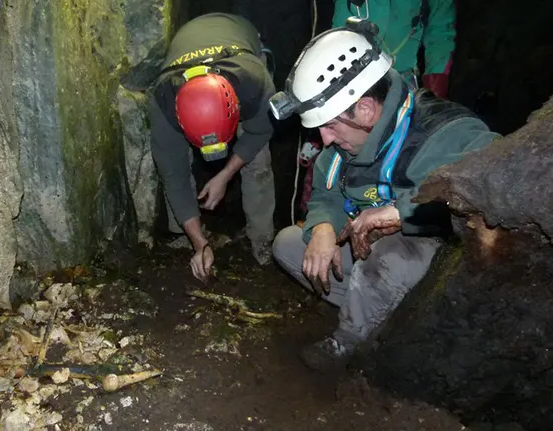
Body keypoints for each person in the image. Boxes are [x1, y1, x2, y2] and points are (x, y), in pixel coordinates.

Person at [268, 18, 499, 370]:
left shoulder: (442, 131)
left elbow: (499, 177)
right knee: (288, 244)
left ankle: (350, 341)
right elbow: (325, 197)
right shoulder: (347, 141)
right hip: (373, 253)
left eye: (329, 125)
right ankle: (378, 313)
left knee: (389, 256)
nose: (325, 140)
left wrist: (399, 212)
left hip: (437, 259)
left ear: (364, 109)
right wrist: (323, 228)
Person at [296, 0, 456, 219]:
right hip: (347, 81)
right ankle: (323, 222)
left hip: (399, 82)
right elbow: (339, 32)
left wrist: (435, 96)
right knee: (335, 149)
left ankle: (390, 214)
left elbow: (440, 32)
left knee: (397, 157)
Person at [150, 13, 276, 282]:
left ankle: (262, 239)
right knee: (174, 165)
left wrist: (225, 175)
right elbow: (175, 176)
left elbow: (260, 132)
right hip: (185, 47)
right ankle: (187, 235)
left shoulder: (254, 82)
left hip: (240, 38)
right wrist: (201, 244)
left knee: (258, 160)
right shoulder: (164, 104)